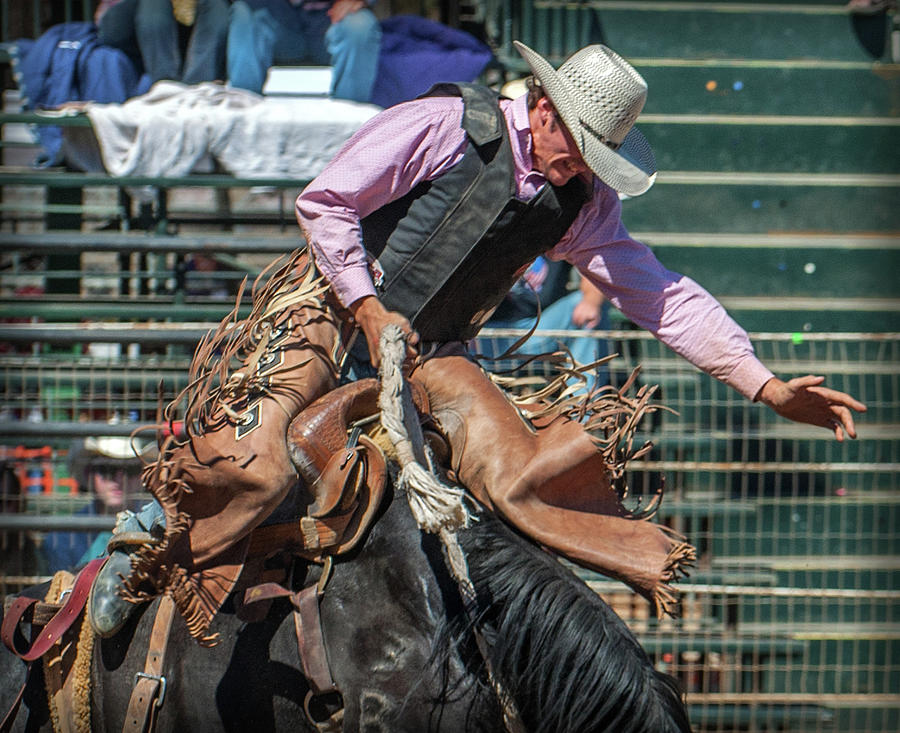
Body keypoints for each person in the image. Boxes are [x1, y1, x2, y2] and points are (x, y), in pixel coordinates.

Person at [92, 41, 866, 642]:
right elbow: (325, 202)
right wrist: (363, 306)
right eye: (582, 150)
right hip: (327, 306)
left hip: (436, 349)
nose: (583, 171)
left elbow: (657, 293)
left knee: (518, 468)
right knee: (257, 463)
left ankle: (602, 584)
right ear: (547, 112)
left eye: (599, 162)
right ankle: (147, 545)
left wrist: (765, 384)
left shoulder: (580, 203)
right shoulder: (445, 125)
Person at [479, 257, 611, 391]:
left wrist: (591, 301)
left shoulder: (557, 238)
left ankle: (583, 406)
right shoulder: (489, 237)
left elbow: (593, 263)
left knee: (587, 308)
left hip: (540, 329)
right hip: (487, 335)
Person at [226, 0, 381, 103]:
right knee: (243, 12)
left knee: (359, 26)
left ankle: (352, 127)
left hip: (332, 18)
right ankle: (242, 111)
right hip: (278, 17)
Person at [41, 436, 151, 573]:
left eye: (130, 470)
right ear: (89, 474)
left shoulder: (156, 527)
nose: (118, 479)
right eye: (107, 469)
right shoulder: (61, 539)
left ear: (142, 476)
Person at [95, 0, 229, 85]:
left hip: (196, 24)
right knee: (154, 6)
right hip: (135, 25)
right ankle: (166, 86)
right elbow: (112, 34)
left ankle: (198, 87)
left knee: (217, 7)